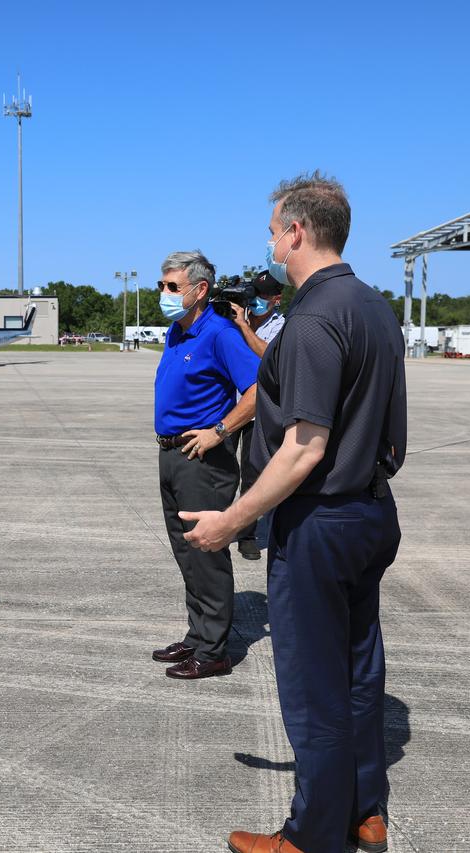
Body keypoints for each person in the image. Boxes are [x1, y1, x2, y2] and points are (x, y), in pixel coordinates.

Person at [180, 173, 406, 853]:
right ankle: (366, 810)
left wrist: (231, 520)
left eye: (275, 228)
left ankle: (312, 835)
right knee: (359, 669)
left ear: (299, 232)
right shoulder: (374, 307)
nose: (271, 239)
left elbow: (304, 448)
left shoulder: (312, 318)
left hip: (321, 519)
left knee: (314, 686)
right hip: (370, 509)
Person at [150, 251, 260, 681]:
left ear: (199, 291)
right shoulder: (177, 333)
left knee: (206, 551)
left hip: (202, 458)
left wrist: (220, 430)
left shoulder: (220, 333)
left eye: (172, 287)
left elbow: (257, 391)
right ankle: (197, 635)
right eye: (162, 285)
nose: (164, 294)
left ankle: (214, 649)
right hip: (171, 454)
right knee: (185, 552)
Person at [229, 271, 286, 560]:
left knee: (252, 476)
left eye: (262, 296)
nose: (256, 301)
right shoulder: (236, 316)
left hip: (258, 410)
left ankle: (247, 534)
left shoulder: (282, 326)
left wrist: (242, 327)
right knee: (223, 473)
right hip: (228, 407)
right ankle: (222, 523)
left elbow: (269, 355)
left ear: (276, 299)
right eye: (253, 294)